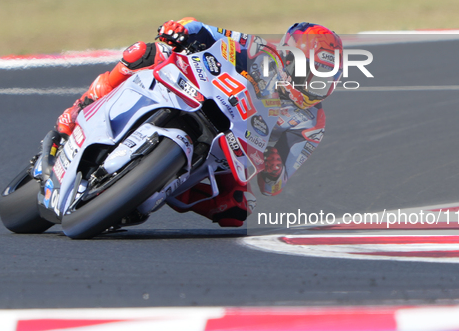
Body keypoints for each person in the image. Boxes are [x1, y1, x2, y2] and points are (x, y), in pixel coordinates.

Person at [55, 18, 342, 227]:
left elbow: (273, 186)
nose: (316, 85)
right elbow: (203, 29)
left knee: (237, 211)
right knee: (144, 51)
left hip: (236, 146)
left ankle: (149, 189)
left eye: (325, 80)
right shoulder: (258, 50)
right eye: (313, 74)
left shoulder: (312, 121)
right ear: (291, 59)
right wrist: (180, 31)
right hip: (203, 95)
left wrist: (274, 167)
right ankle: (82, 106)